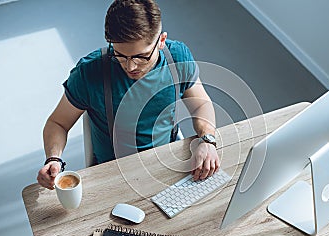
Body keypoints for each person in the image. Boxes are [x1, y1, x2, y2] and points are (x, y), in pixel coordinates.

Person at [37, 0, 219, 190]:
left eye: (141, 57)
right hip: (114, 175)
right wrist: (53, 158)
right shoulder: (88, 73)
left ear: (161, 41)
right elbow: (58, 123)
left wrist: (207, 140)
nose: (130, 67)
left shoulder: (178, 58)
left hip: (168, 161)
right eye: (120, 55)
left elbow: (200, 104)